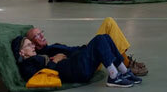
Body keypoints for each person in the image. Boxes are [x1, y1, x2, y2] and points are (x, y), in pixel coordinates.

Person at [12, 32, 140, 88]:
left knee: (105, 37)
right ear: (21, 52)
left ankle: (123, 71)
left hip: (75, 65)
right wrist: (55, 61)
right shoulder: (26, 65)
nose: (33, 46)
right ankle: (113, 76)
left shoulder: (36, 57)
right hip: (76, 70)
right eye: (29, 45)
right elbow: (39, 78)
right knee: (99, 40)